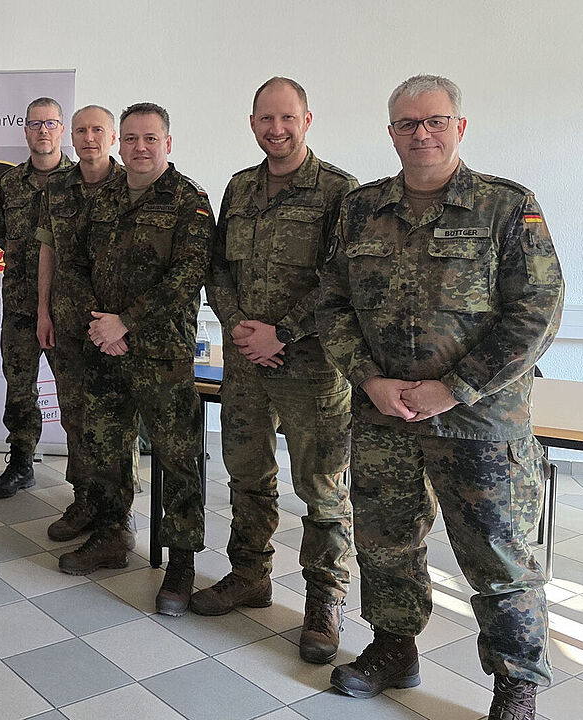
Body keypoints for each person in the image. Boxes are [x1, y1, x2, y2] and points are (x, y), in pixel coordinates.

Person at [317, 75, 563, 720]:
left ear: (459, 126)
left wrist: (454, 388)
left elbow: (537, 310)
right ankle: (393, 647)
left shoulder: (506, 207)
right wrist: (369, 378)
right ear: (391, 132)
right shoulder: (361, 209)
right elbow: (331, 303)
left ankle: (516, 687)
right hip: (384, 413)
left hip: (480, 419)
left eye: (434, 120)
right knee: (386, 539)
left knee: (497, 553)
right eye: (406, 123)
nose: (420, 133)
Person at [200, 77, 357, 663]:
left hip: (313, 367)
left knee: (321, 488)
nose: (276, 129)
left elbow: (340, 280)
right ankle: (250, 575)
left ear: (307, 120)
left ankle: (324, 603)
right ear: (252, 123)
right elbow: (217, 269)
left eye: (287, 118)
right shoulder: (240, 188)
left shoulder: (342, 191)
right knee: (245, 471)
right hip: (244, 363)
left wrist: (281, 332)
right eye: (265, 118)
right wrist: (242, 325)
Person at [57, 103, 214, 613]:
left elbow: (188, 275)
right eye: (130, 138)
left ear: (168, 142)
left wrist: (126, 322)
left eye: (150, 137)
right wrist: (100, 323)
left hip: (161, 353)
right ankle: (110, 534)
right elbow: (73, 264)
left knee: (177, 456)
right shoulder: (101, 198)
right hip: (103, 347)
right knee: (103, 446)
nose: (139, 147)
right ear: (119, 144)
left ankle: (182, 561)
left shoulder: (190, 201)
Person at [35, 104, 126, 540]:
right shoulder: (57, 188)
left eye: (97, 130)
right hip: (68, 324)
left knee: (114, 423)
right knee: (74, 416)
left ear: (112, 137)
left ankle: (116, 516)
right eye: (80, 130)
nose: (88, 137)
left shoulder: (133, 186)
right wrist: (43, 311)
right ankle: (84, 500)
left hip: (115, 330)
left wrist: (125, 323)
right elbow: (47, 250)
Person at [0, 97, 73, 499]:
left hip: (70, 309)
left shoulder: (82, 181)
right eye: (35, 123)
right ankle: (21, 462)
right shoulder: (9, 184)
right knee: (19, 387)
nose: (43, 130)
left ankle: (87, 477)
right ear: (24, 129)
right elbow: (0, 234)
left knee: (74, 390)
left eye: (51, 123)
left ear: (62, 129)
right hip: (19, 306)